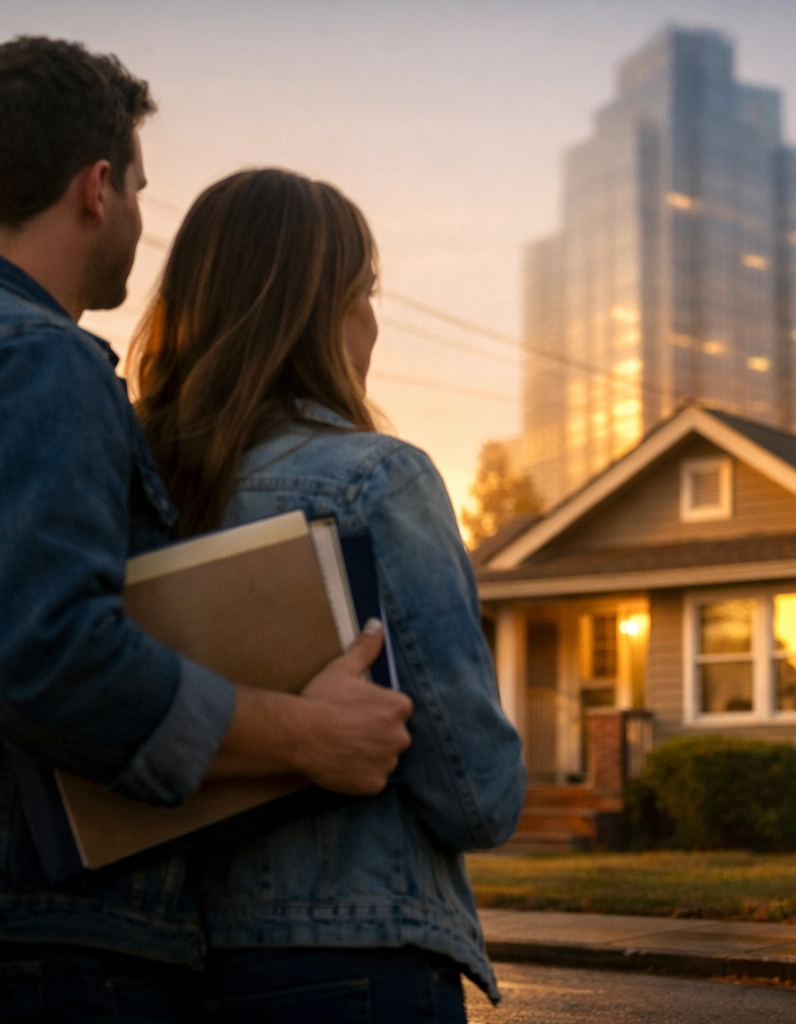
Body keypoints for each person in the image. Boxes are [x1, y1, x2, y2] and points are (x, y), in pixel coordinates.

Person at [0, 38, 413, 1023]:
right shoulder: (40, 360)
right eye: (141, 190)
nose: (139, 221)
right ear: (97, 187)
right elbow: (39, 653)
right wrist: (307, 735)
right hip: (39, 961)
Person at [130, 168, 526, 1021]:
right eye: (365, 292)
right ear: (325, 310)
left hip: (156, 960)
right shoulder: (376, 478)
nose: (374, 321)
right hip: (356, 959)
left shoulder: (118, 485)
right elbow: (477, 793)